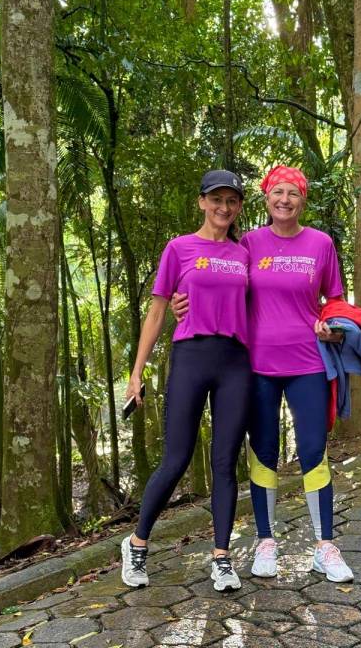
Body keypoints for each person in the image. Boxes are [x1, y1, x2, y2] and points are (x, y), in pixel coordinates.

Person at [173, 165, 354, 584]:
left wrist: (334, 326)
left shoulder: (321, 244)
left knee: (314, 450)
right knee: (264, 451)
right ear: (266, 198)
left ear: (303, 200)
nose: (285, 200)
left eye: (293, 193)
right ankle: (266, 540)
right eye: (278, 193)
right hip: (256, 365)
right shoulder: (249, 244)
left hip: (309, 362)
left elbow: (336, 299)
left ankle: (325, 546)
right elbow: (217, 280)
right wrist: (183, 303)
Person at [121, 169, 251, 592]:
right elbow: (158, 311)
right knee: (176, 459)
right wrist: (136, 373)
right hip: (192, 356)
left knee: (225, 461)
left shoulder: (243, 253)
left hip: (235, 361)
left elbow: (262, 302)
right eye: (216, 199)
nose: (223, 207)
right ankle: (137, 544)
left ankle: (222, 558)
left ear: (238, 207)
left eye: (231, 201)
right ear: (202, 202)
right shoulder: (179, 248)